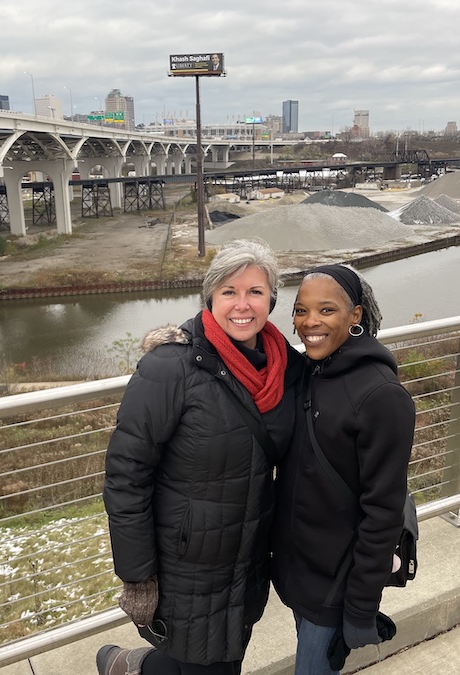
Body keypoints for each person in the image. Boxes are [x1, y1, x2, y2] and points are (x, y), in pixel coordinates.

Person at [99, 238, 304, 675]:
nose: (242, 305)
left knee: (224, 660)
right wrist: (138, 576)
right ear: (210, 298)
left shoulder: (285, 367)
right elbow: (125, 475)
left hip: (248, 560)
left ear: (272, 298)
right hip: (186, 569)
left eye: (255, 291)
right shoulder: (171, 368)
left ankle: (129, 667)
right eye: (229, 292)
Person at [272, 264, 416, 675]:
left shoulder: (381, 397)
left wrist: (360, 608)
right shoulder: (308, 372)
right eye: (301, 311)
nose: (309, 323)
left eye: (326, 310)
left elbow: (383, 511)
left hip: (336, 587)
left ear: (355, 316)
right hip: (298, 573)